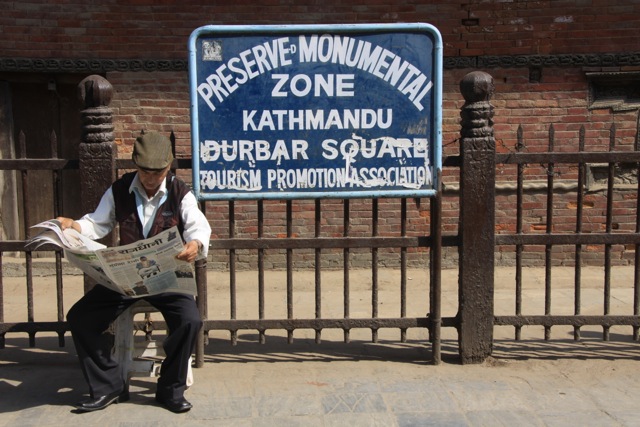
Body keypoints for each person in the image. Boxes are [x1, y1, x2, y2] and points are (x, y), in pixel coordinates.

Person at [58, 132, 211, 413]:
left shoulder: (181, 192)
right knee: (80, 317)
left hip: (167, 279)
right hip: (127, 280)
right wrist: (74, 226)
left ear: (169, 167)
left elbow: (198, 227)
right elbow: (97, 223)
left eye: (158, 172)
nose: (151, 179)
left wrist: (195, 244)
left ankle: (170, 389)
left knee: (190, 321)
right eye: (144, 172)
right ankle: (109, 385)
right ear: (135, 166)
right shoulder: (120, 189)